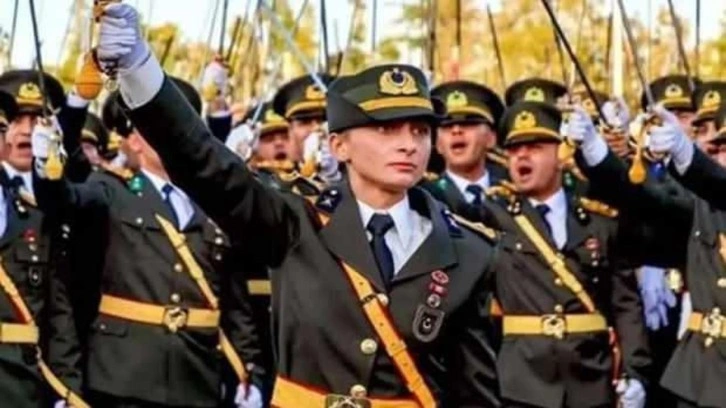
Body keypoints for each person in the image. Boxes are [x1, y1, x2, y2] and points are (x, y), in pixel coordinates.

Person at [97, 4, 502, 405]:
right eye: (386, 129)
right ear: (338, 145)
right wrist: (138, 68)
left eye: (420, 130)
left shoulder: (468, 251)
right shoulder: (296, 222)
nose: (408, 144)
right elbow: (205, 162)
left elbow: (474, 393)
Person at [32, 82, 266, 406]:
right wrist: (45, 163)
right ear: (134, 140)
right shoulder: (111, 191)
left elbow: (236, 303)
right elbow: (59, 198)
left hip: (197, 379)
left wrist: (250, 373)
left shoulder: (215, 201)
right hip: (124, 378)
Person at [472, 101, 650, 408]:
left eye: (535, 147)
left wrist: (636, 372)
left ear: (561, 153)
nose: (522, 156)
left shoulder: (598, 220)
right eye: (514, 149)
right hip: (523, 382)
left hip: (591, 377)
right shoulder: (492, 217)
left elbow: (625, 304)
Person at [570, 100, 726, 408]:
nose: (721, 156)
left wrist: (686, 156)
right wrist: (595, 150)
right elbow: (644, 198)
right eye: (719, 148)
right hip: (702, 373)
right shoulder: (702, 207)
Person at [0, 82, 83, 408]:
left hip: (20, 386)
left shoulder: (36, 215)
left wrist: (67, 392)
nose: (24, 131)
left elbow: (59, 315)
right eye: (16, 122)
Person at [421, 80, 508, 215]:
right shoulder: (424, 197)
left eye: (468, 123)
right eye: (447, 126)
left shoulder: (514, 193)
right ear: (437, 143)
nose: (456, 130)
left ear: (491, 138)